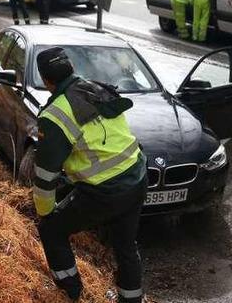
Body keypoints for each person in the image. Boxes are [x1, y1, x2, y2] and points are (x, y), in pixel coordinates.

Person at [33, 47, 147, 303]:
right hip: (137, 175)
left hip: (106, 191)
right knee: (126, 245)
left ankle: (69, 293)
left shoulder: (55, 114)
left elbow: (45, 176)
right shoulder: (96, 88)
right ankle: (131, 300)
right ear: (72, 69)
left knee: (52, 230)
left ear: (46, 80)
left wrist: (45, 212)